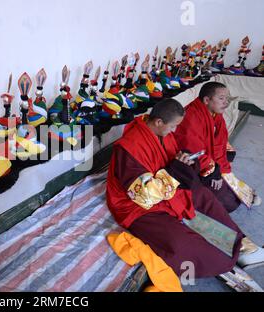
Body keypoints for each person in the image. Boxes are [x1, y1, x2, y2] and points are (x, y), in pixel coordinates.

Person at [106, 99, 264, 289]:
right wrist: (176, 170)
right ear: (158, 122)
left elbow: (172, 159)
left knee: (204, 197)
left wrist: (185, 161)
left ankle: (239, 246)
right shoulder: (128, 148)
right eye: (173, 127)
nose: (174, 131)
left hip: (168, 190)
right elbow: (143, 197)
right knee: (180, 243)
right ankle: (218, 260)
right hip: (138, 208)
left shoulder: (161, 132)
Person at [174, 82, 261, 212]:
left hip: (210, 158)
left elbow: (220, 139)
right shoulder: (192, 117)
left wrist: (223, 162)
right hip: (193, 164)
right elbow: (194, 152)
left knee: (231, 192)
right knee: (229, 203)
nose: (226, 103)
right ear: (207, 100)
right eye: (221, 98)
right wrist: (214, 172)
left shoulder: (214, 112)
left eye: (227, 98)